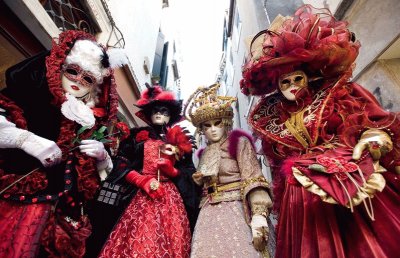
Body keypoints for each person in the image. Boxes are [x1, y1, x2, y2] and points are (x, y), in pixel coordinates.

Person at [240, 5, 400, 257]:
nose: (292, 86)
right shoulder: (271, 118)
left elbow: (375, 124)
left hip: (353, 177)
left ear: (308, 76)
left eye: (297, 78)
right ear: (277, 86)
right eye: (285, 81)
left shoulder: (339, 95)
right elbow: (278, 169)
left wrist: (370, 142)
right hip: (304, 200)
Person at [0, 30, 127, 257]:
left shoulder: (91, 120)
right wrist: (25, 140)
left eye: (87, 78)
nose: (78, 80)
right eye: (73, 71)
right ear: (60, 68)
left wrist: (102, 157)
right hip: (17, 202)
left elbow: (101, 176)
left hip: (64, 214)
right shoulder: (30, 96)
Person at [99, 85, 199, 258]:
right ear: (149, 114)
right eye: (155, 110)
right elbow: (121, 163)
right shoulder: (136, 136)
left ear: (171, 116)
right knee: (138, 238)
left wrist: (173, 172)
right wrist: (141, 180)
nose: (159, 113)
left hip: (171, 198)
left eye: (164, 111)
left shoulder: (180, 141)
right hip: (139, 195)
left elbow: (191, 173)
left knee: (171, 237)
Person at [185, 83, 273, 257]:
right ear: (202, 130)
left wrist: (259, 215)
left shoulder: (239, 143)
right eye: (207, 126)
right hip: (208, 213)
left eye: (217, 123)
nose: (213, 129)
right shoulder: (204, 153)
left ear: (225, 123)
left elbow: (253, 176)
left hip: (236, 209)